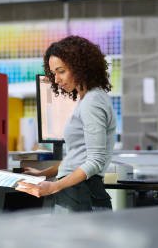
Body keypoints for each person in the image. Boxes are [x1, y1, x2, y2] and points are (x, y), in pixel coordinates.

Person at [16, 36, 116, 212]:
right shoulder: (89, 99)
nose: (56, 79)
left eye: (61, 71)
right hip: (77, 192)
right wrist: (42, 174)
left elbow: (96, 160)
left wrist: (54, 186)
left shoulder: (92, 101)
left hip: (81, 194)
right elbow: (76, 158)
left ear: (80, 68)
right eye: (54, 73)